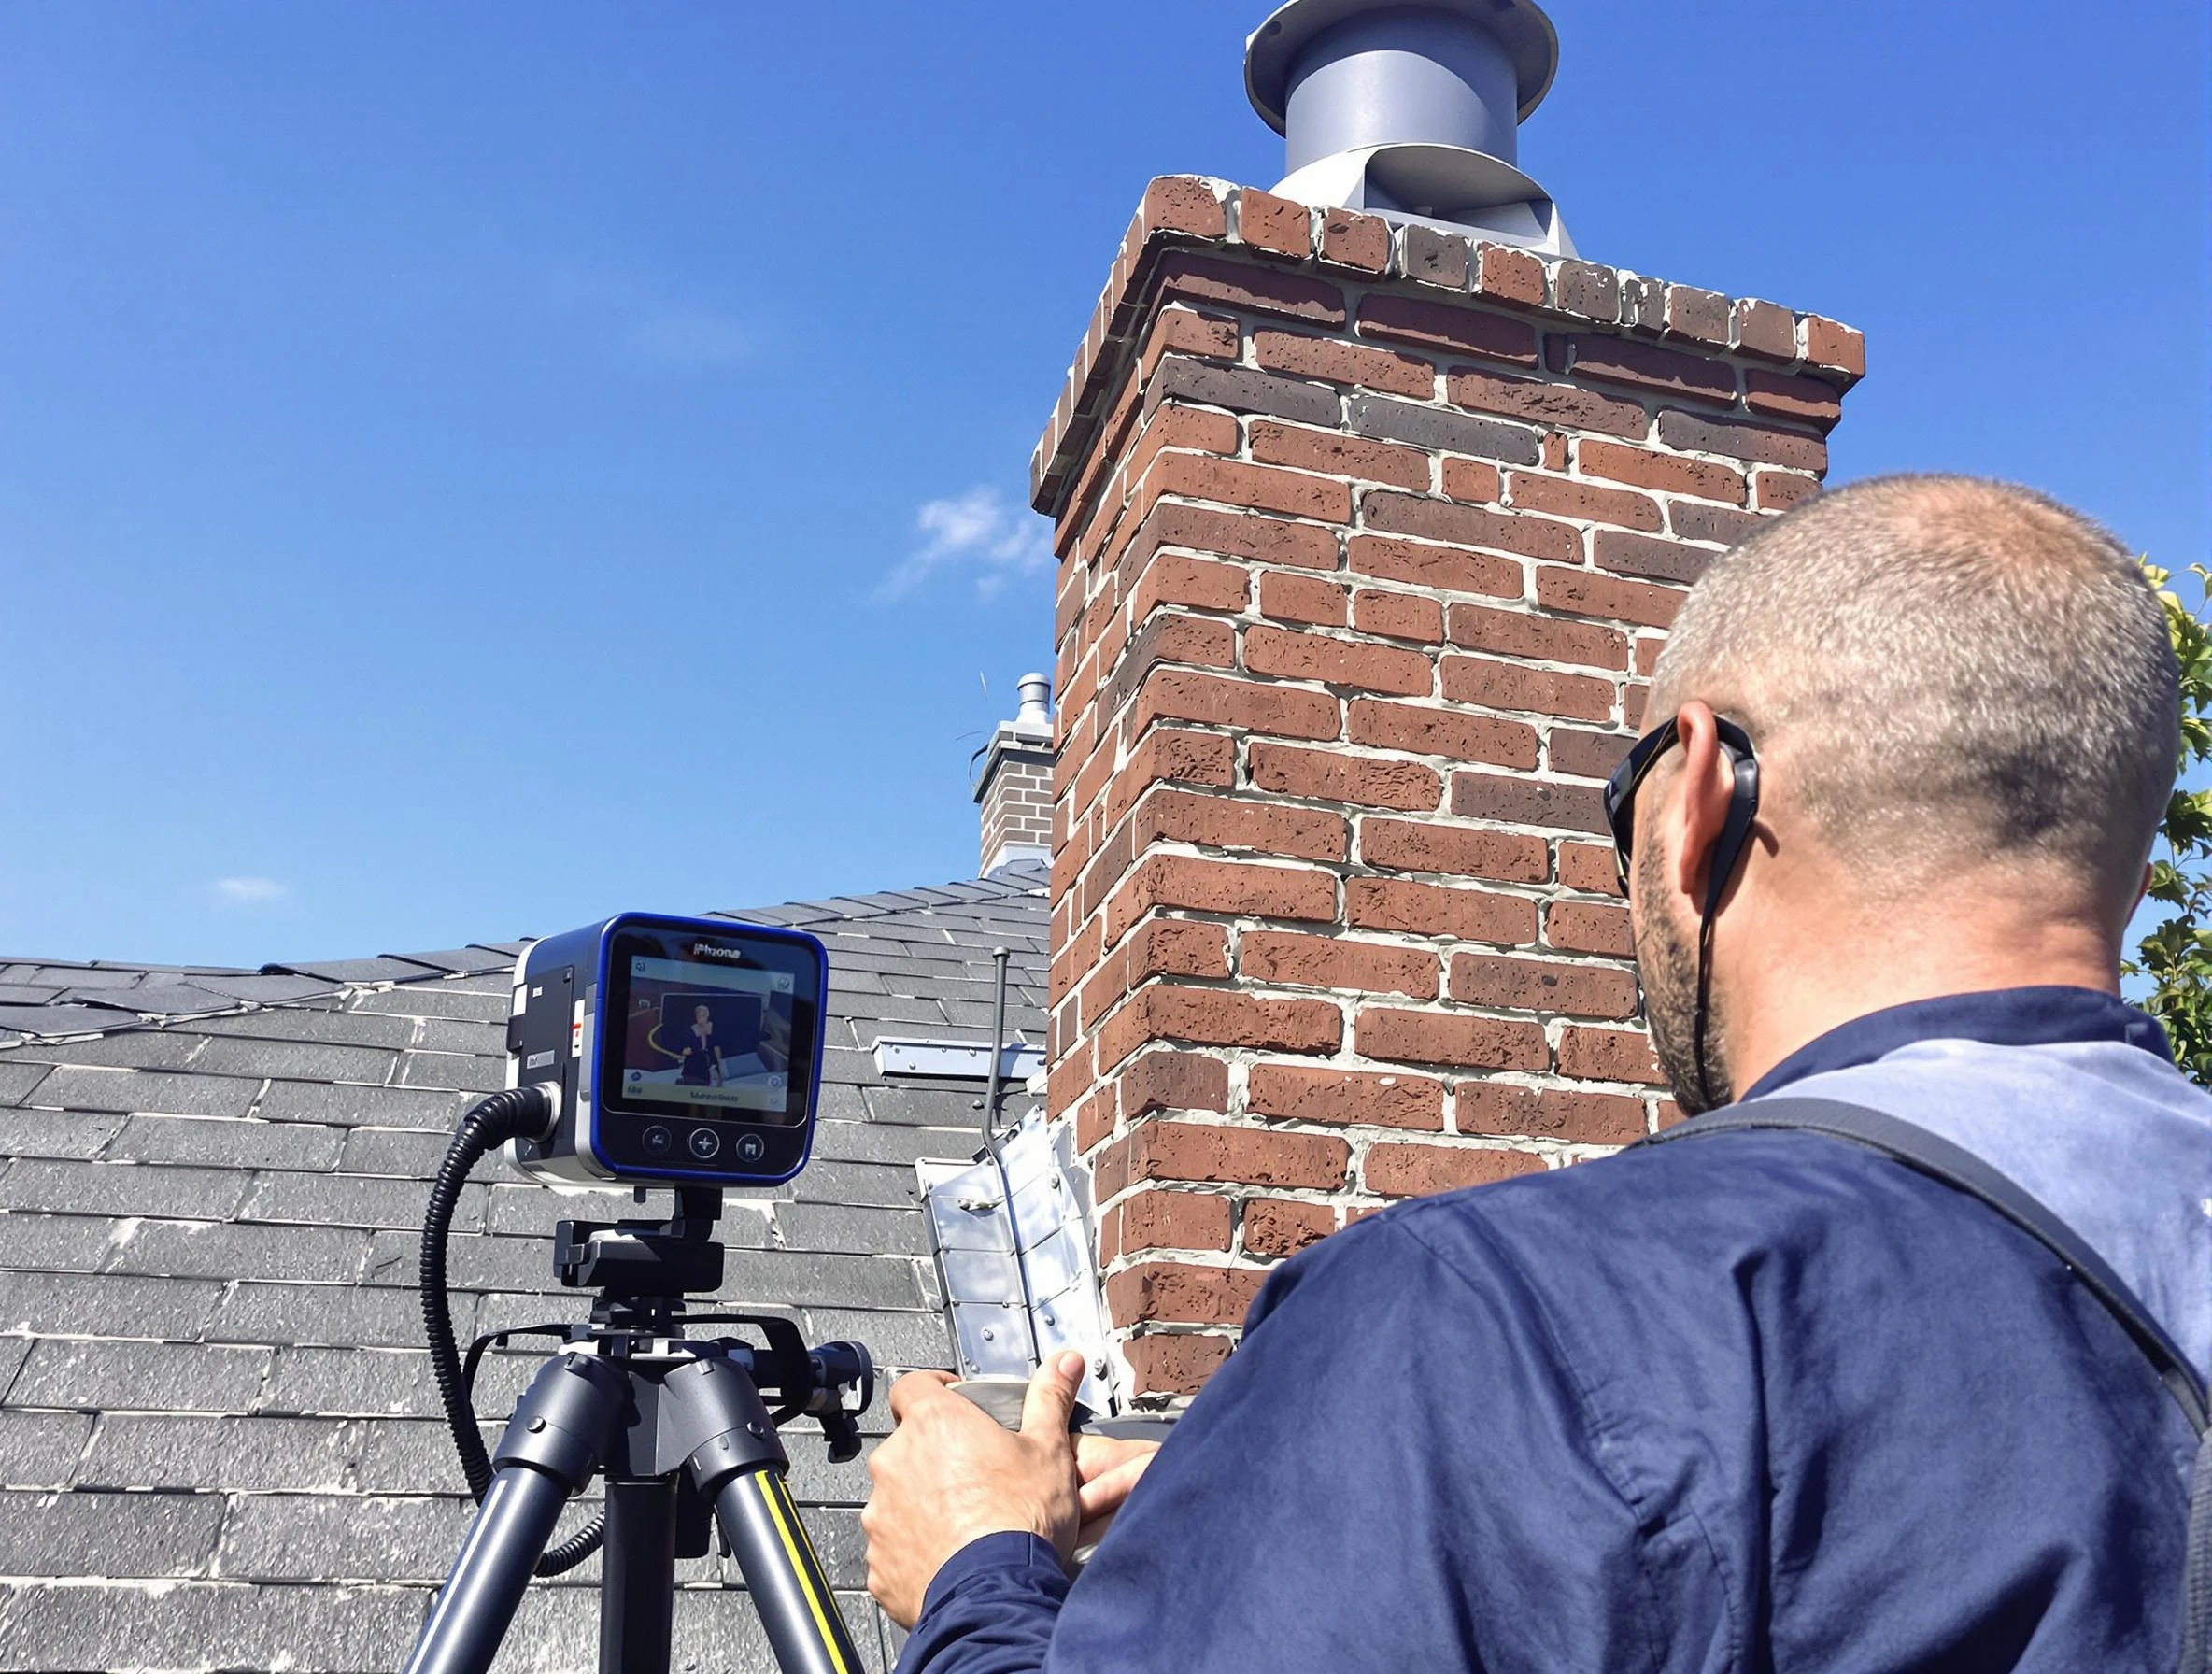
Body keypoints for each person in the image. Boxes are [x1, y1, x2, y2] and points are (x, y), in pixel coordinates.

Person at [860, 475, 2212, 1671]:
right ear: (2133, 872)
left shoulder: (1493, 1318)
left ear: (1697, 799)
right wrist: (1344, 1495)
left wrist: (976, 1573)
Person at [676, 1002, 723, 1087]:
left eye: (704, 1016)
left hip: (706, 1071)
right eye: (699, 1016)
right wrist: (686, 1051)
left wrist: (709, 1034)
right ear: (696, 1017)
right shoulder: (689, 1032)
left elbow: (716, 1049)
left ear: (707, 1017)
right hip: (691, 1070)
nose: (701, 1019)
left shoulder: (712, 1031)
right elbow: (683, 1049)